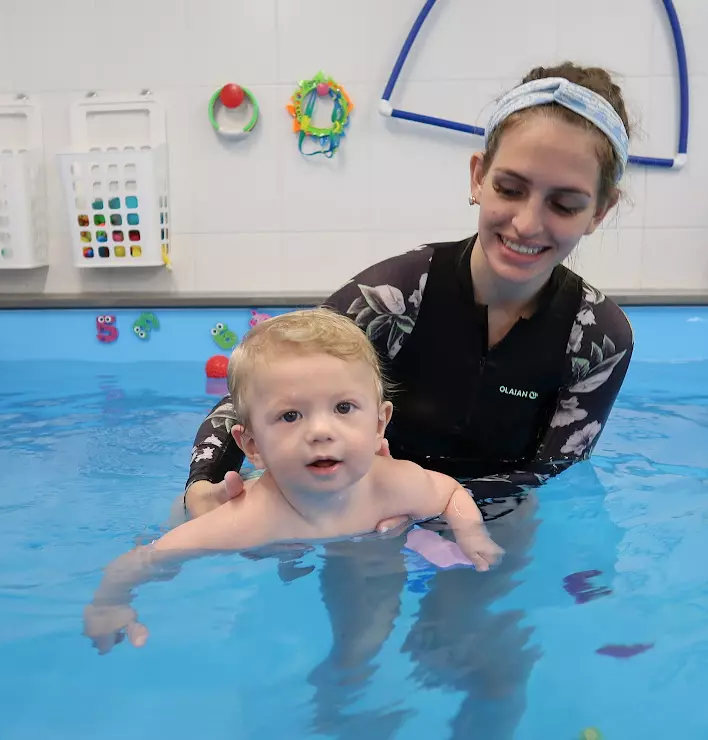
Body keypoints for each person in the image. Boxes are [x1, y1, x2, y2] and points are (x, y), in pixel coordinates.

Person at [181, 61, 636, 739]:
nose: (526, 222)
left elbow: (549, 468)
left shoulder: (596, 336)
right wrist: (205, 484)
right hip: (358, 498)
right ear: (477, 175)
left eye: (565, 203)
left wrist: (436, 511)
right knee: (356, 652)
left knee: (490, 664)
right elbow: (244, 406)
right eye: (510, 188)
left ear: (600, 210)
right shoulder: (395, 297)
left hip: (490, 507)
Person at [84, 309, 503, 654]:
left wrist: (471, 531)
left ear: (380, 425)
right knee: (180, 517)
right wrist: (109, 602)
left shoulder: (393, 484)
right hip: (243, 495)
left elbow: (449, 491)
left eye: (343, 407)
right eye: (290, 415)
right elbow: (149, 558)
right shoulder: (251, 518)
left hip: (349, 543)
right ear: (252, 445)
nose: (321, 431)